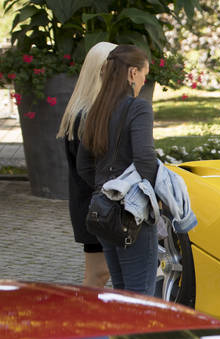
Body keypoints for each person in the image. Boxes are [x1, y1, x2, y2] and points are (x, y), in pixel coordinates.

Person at [77, 45, 159, 296]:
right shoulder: (139, 108)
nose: (145, 80)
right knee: (140, 295)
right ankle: (135, 337)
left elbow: (83, 164)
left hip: (103, 211)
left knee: (122, 293)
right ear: (132, 73)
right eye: (145, 73)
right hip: (132, 213)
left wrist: (106, 188)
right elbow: (145, 159)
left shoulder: (96, 110)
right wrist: (158, 200)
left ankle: (119, 336)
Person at [57, 40, 117, 288]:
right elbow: (90, 168)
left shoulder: (83, 111)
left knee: (99, 274)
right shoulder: (88, 114)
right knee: (99, 274)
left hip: (90, 205)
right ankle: (83, 321)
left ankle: (88, 320)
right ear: (103, 70)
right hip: (96, 206)